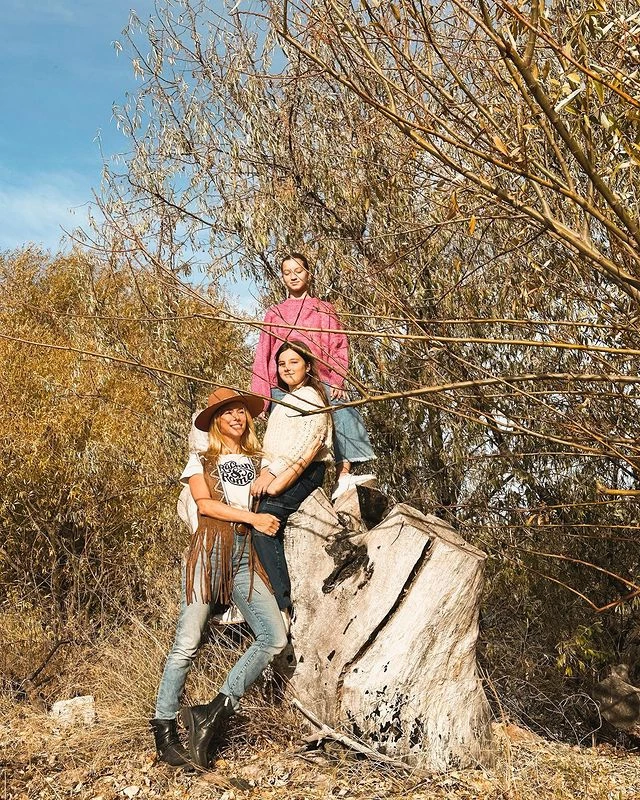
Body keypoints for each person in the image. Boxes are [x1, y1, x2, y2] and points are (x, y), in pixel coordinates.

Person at [151, 388, 299, 770]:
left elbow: (291, 472)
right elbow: (205, 505)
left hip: (246, 555)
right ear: (216, 421)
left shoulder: (260, 461)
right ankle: (164, 732)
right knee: (187, 642)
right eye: (227, 412)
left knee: (274, 636)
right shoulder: (201, 459)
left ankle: (213, 711)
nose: (236, 416)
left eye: (240, 411)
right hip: (211, 550)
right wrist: (253, 518)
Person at [251, 252, 375, 499]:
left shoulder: (323, 309)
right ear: (282, 278)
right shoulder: (275, 313)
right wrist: (261, 398)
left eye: (298, 271)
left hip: (321, 378)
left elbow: (338, 344)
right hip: (282, 385)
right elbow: (263, 353)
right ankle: (274, 482)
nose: (293, 276)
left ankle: (343, 475)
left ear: (308, 274)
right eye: (287, 272)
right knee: (281, 432)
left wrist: (338, 378)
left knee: (343, 408)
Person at [250, 340, 333, 610]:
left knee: (264, 524)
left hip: (305, 471)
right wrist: (265, 470)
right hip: (281, 471)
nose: (286, 368)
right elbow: (271, 445)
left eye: (293, 362)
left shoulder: (311, 398)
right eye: (281, 364)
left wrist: (272, 474)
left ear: (307, 366)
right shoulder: (285, 401)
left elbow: (305, 445)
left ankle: (284, 604)